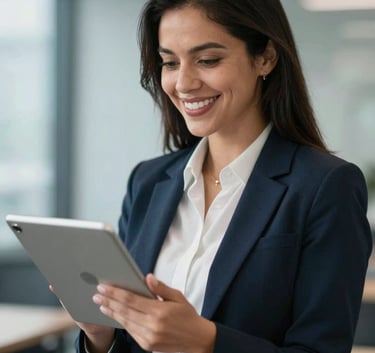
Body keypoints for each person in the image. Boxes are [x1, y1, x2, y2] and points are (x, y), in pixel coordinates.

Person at [72, 1, 373, 352]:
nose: (183, 82)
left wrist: (208, 342)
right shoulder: (148, 182)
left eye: (208, 60)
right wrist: (100, 334)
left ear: (265, 58)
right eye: (170, 62)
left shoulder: (326, 187)